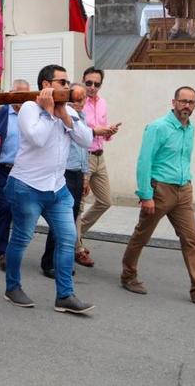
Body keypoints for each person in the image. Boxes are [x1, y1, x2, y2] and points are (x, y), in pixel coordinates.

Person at [121, 86, 195, 305]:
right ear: (174, 102)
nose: (187, 106)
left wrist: (187, 182)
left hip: (184, 190)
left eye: (191, 102)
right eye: (183, 101)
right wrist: (146, 194)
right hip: (160, 190)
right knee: (142, 235)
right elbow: (144, 162)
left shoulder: (190, 128)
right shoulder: (157, 127)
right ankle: (128, 275)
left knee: (191, 239)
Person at [3, 64, 95, 314]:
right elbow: (37, 138)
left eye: (67, 82)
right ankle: (13, 287)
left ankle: (65, 295)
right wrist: (49, 112)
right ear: (46, 85)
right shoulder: (30, 108)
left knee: (67, 239)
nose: (67, 86)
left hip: (58, 189)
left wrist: (64, 115)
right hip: (27, 187)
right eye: (62, 82)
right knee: (22, 239)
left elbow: (87, 140)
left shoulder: (67, 110)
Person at [40, 83, 91, 278]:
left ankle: (64, 261)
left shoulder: (81, 120)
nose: (80, 101)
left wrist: (85, 176)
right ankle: (49, 263)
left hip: (77, 174)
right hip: (64, 174)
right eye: (76, 97)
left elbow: (84, 150)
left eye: (83, 98)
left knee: (71, 220)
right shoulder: (63, 117)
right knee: (61, 220)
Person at [75, 67, 121, 268]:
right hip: (83, 156)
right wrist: (96, 131)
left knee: (105, 201)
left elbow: (103, 131)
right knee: (79, 205)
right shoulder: (77, 103)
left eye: (97, 84)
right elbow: (77, 130)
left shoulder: (102, 103)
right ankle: (77, 248)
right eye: (89, 83)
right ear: (83, 81)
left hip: (99, 157)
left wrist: (109, 131)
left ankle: (72, 235)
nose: (92, 87)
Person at [0, 79, 30, 271]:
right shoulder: (1, 114)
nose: (22, 99)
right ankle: (4, 251)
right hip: (2, 169)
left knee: (15, 210)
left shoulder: (32, 115)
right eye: (18, 94)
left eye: (26, 95)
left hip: (23, 172)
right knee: (6, 207)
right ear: (11, 94)